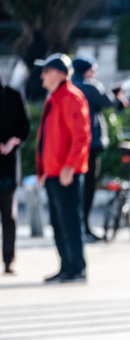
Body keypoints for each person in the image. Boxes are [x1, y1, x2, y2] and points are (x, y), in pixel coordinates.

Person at [35, 53, 91, 283]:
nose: (41, 76)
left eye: (46, 71)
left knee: (69, 221)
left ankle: (77, 268)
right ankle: (66, 266)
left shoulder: (70, 97)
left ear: (59, 73)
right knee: (58, 223)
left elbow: (81, 136)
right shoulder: (55, 97)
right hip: (53, 172)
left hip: (65, 173)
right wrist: (42, 171)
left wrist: (70, 166)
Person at [72, 56, 127, 239]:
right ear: (85, 70)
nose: (95, 72)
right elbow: (108, 101)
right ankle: (84, 227)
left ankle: (77, 227)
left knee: (76, 187)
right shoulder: (90, 86)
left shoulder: (71, 85)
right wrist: (116, 94)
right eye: (93, 68)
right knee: (88, 186)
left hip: (74, 145)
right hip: (89, 144)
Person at [0, 72, 31, 275]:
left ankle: (8, 260)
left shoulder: (13, 95)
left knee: (8, 215)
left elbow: (24, 127)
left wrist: (12, 142)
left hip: (7, 167)